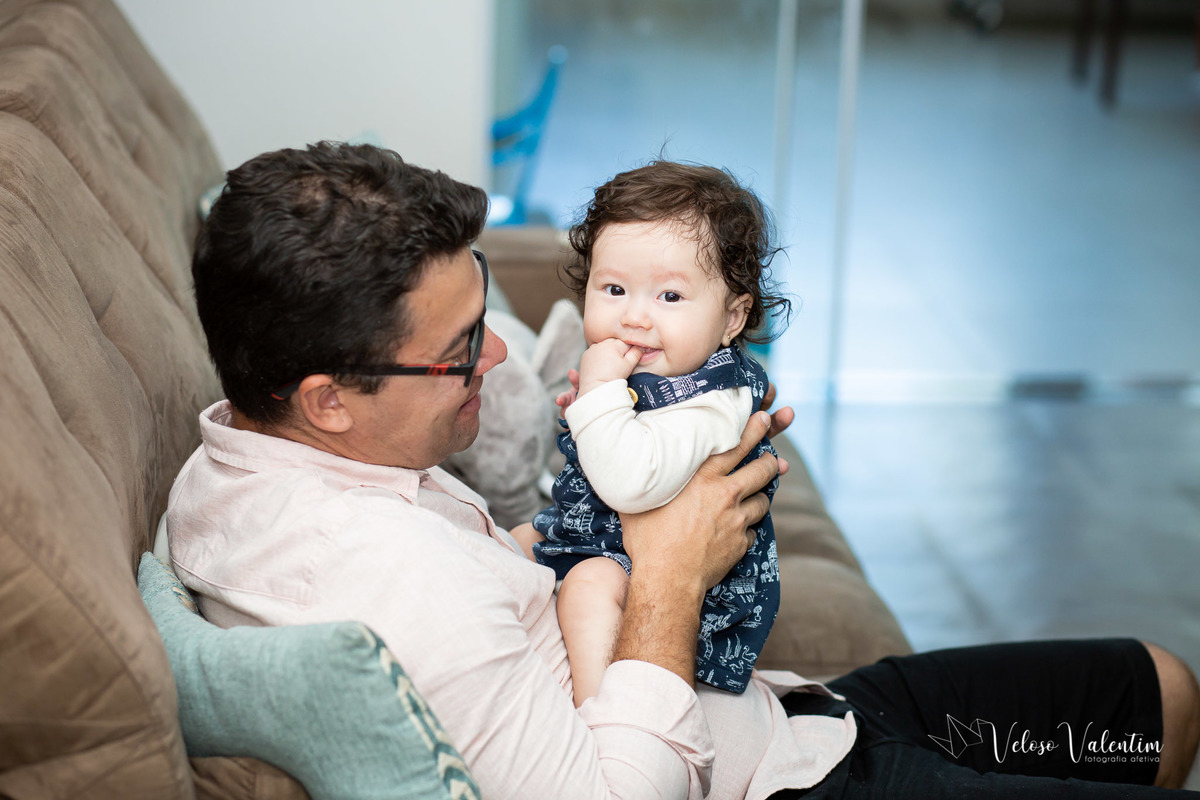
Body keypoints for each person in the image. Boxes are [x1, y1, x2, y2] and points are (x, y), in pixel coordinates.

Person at [170, 141, 1200, 799]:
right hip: (767, 777)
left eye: (482, 316)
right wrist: (671, 569)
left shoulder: (255, 455)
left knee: (1157, 691)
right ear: (328, 395)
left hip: (782, 713)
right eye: (459, 348)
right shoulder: (385, 588)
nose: (495, 357)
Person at [509, 162, 789, 704]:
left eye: (669, 297)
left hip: (691, 587)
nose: (634, 317)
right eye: (614, 288)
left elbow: (630, 483)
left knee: (590, 589)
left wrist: (597, 400)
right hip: (602, 541)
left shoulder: (713, 404)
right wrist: (595, 407)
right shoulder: (653, 370)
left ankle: (598, 718)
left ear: (733, 319)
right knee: (516, 543)